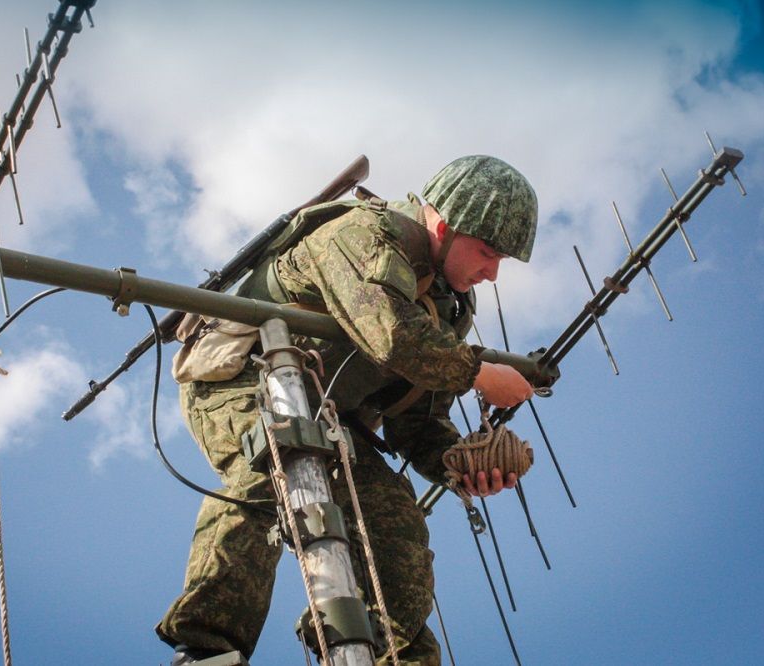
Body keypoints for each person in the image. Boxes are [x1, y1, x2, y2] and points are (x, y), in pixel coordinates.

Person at [158, 155, 538, 665]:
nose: (491, 273)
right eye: (487, 253)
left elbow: (416, 419)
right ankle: (208, 648)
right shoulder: (362, 233)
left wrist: (459, 465)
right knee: (273, 463)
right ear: (445, 226)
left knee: (397, 533)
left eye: (501, 263)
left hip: (330, 416)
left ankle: (383, 652)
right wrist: (478, 374)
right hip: (242, 381)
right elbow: (393, 335)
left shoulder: (448, 306)